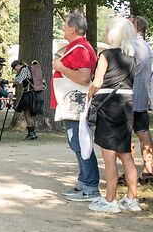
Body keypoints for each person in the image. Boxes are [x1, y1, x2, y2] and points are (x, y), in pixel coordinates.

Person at [87, 17, 140, 213]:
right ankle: (131, 198)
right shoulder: (132, 56)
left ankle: (110, 200)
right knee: (125, 153)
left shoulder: (106, 54)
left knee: (108, 154)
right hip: (126, 105)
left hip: (109, 106)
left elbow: (98, 82)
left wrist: (89, 95)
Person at [52, 13, 100, 202]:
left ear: (72, 28)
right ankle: (84, 182)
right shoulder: (77, 47)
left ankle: (90, 186)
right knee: (77, 144)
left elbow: (84, 77)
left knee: (81, 144)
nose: (63, 28)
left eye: (65, 25)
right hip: (71, 104)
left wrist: (60, 67)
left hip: (76, 104)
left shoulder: (80, 49)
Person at [128, 15, 153, 184]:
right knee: (143, 132)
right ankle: (148, 170)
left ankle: (129, 171)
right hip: (143, 96)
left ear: (136, 26)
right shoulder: (147, 47)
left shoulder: (131, 46)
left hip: (128, 96)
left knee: (125, 135)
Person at [11, 60, 45, 140]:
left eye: (15, 67)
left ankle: (31, 133)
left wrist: (7, 81)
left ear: (18, 65)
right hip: (34, 94)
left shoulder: (24, 69)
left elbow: (19, 80)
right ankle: (33, 132)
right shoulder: (28, 69)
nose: (15, 69)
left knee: (27, 114)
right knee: (30, 114)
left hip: (29, 94)